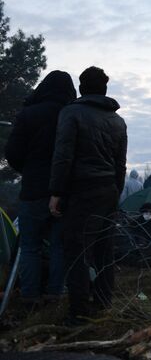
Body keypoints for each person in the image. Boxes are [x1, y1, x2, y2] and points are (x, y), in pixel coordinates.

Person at [49, 66, 127, 325]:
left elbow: (63, 155)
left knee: (76, 250)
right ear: (104, 89)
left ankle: (79, 313)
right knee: (105, 249)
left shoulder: (71, 113)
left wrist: (56, 192)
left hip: (82, 191)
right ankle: (104, 303)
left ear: (82, 88)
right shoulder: (118, 121)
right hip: (109, 191)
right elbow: (120, 164)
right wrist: (116, 191)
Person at [5, 70, 76, 305]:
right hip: (64, 191)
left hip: (33, 190)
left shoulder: (30, 114)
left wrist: (29, 170)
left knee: (30, 246)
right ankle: (55, 295)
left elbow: (12, 152)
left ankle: (29, 295)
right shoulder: (71, 114)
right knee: (58, 246)